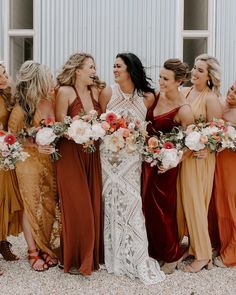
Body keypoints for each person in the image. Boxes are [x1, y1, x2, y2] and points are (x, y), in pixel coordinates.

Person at [99, 52, 165, 284]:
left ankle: (135, 253)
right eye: (114, 66)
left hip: (131, 160)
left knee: (132, 203)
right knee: (110, 202)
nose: (114, 70)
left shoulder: (147, 97)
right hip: (108, 158)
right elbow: (100, 124)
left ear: (130, 69)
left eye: (118, 66)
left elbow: (150, 126)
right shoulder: (108, 92)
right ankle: (112, 256)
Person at [142, 59, 194, 274]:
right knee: (146, 206)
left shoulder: (184, 110)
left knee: (163, 209)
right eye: (160, 77)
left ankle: (171, 254)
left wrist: (174, 160)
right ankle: (153, 250)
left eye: (166, 79)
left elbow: (192, 143)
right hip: (146, 160)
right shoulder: (156, 95)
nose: (160, 82)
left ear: (179, 81)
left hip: (166, 165)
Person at [8, 61, 60, 271]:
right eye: (46, 76)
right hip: (28, 162)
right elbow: (12, 138)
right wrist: (34, 143)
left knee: (49, 203)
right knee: (31, 205)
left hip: (50, 161)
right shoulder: (21, 108)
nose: (50, 79)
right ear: (38, 80)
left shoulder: (52, 99)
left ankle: (45, 247)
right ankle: (32, 251)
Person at [55, 53, 104, 275]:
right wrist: (78, 130)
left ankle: (91, 255)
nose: (94, 71)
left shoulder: (95, 92)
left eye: (94, 68)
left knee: (92, 203)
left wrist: (94, 130)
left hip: (91, 155)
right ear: (78, 70)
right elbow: (59, 126)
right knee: (78, 206)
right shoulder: (65, 92)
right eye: (91, 67)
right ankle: (75, 257)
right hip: (70, 154)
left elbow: (104, 121)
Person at [177, 54, 222, 272]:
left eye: (200, 71)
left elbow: (218, 131)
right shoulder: (185, 91)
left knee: (195, 202)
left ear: (210, 77)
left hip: (201, 158)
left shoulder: (210, 98)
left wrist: (207, 146)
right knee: (184, 201)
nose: (194, 73)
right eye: (194, 68)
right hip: (184, 156)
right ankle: (194, 246)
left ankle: (204, 254)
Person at [0, 63, 23, 272]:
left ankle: (2, 240)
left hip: (5, 155)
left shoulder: (10, 94)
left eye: (5, 73)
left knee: (5, 199)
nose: (4, 77)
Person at [213, 81, 236, 268]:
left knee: (231, 203)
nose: (232, 94)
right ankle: (220, 241)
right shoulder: (220, 104)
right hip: (217, 162)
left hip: (232, 164)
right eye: (232, 89)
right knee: (218, 202)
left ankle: (233, 250)